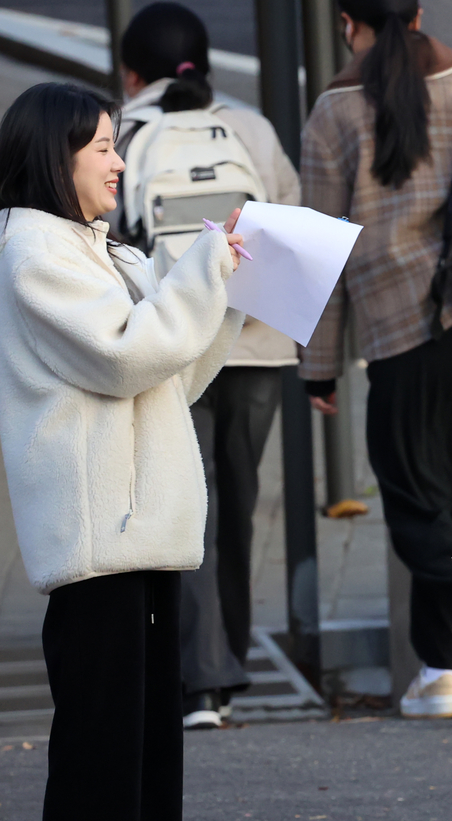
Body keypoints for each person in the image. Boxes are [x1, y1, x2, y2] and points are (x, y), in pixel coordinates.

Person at [297, 0, 452, 719]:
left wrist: (319, 366)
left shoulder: (333, 109)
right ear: (421, 15)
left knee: (414, 509)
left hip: (405, 334)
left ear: (347, 24)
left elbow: (320, 250)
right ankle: (439, 674)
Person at [0, 82, 246, 820]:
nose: (117, 163)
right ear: (56, 155)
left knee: (142, 751)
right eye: (103, 146)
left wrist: (228, 290)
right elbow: (125, 356)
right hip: (97, 535)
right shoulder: (32, 252)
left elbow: (175, 371)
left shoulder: (104, 252)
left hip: (136, 533)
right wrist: (204, 271)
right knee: (102, 754)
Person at [117, 0, 303, 729]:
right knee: (239, 501)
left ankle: (202, 681)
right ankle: (229, 663)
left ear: (132, 69)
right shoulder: (249, 128)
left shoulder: (122, 130)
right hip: (253, 342)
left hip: (171, 343)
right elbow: (289, 228)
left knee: (186, 502)